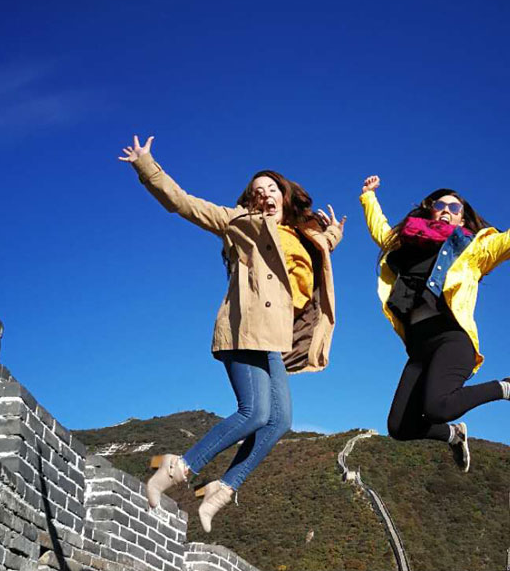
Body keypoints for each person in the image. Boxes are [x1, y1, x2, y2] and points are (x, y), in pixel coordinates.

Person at [119, 135, 344, 530]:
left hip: (273, 340)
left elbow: (313, 256)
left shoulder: (300, 235)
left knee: (279, 422)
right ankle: (177, 468)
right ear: (251, 200)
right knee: (254, 412)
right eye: (258, 191)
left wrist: (332, 236)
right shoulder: (240, 225)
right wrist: (146, 166)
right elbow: (183, 203)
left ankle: (221, 489)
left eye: (273, 188)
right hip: (244, 329)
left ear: (285, 195)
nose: (266, 194)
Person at [360, 164, 510, 473]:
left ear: (462, 217)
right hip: (419, 347)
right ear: (430, 211)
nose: (446, 210)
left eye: (454, 207)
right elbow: (381, 233)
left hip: (452, 338)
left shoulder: (474, 250)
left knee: (437, 406)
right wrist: (369, 198)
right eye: (440, 205)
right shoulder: (406, 246)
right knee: (399, 426)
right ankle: (454, 435)